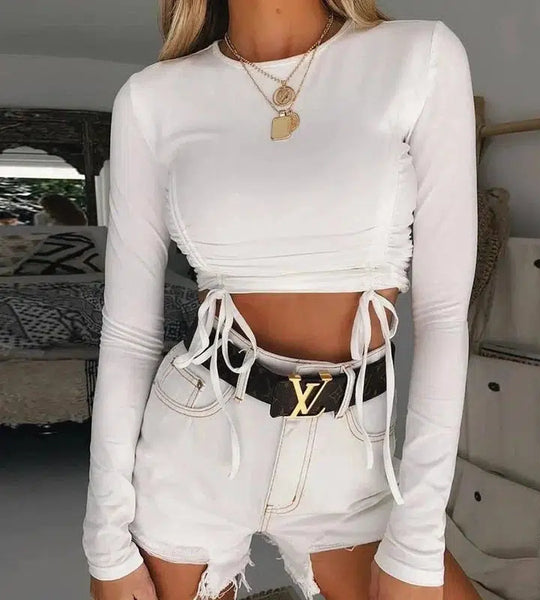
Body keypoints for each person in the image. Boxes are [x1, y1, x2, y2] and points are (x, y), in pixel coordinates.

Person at [82, 1, 480, 599]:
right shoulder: (152, 98)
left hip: (353, 458)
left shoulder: (419, 55)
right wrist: (105, 542)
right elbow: (129, 337)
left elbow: (444, 317)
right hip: (197, 436)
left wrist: (419, 542)